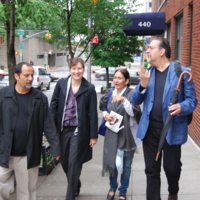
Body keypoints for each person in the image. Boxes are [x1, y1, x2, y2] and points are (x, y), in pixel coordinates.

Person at [130, 37, 198, 200]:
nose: (147, 50)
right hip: (150, 130)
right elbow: (135, 100)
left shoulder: (180, 71)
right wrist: (143, 85)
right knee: (151, 170)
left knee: (172, 168)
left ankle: (173, 192)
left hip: (172, 128)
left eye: (150, 47)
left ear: (161, 51)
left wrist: (182, 107)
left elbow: (192, 100)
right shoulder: (147, 71)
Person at [0, 62, 61, 200]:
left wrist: (56, 148)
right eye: (26, 75)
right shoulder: (3, 94)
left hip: (28, 154)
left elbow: (49, 125)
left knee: (26, 192)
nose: (30, 78)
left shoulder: (39, 98)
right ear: (16, 76)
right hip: (4, 152)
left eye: (32, 75)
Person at [50, 57, 98, 200]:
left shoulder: (89, 88)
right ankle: (75, 183)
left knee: (73, 161)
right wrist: (51, 129)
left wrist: (93, 135)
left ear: (84, 69)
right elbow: (53, 107)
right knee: (64, 162)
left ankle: (69, 195)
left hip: (79, 130)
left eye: (79, 68)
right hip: (63, 129)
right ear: (70, 69)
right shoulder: (61, 84)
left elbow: (93, 113)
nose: (77, 71)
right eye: (74, 68)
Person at [99, 68, 142, 200]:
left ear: (126, 81)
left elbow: (134, 113)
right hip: (112, 134)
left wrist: (123, 100)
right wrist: (106, 115)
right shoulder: (110, 93)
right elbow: (102, 107)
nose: (116, 80)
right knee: (112, 162)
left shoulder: (131, 94)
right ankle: (113, 187)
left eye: (120, 78)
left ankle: (122, 191)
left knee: (126, 165)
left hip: (127, 135)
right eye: (115, 77)